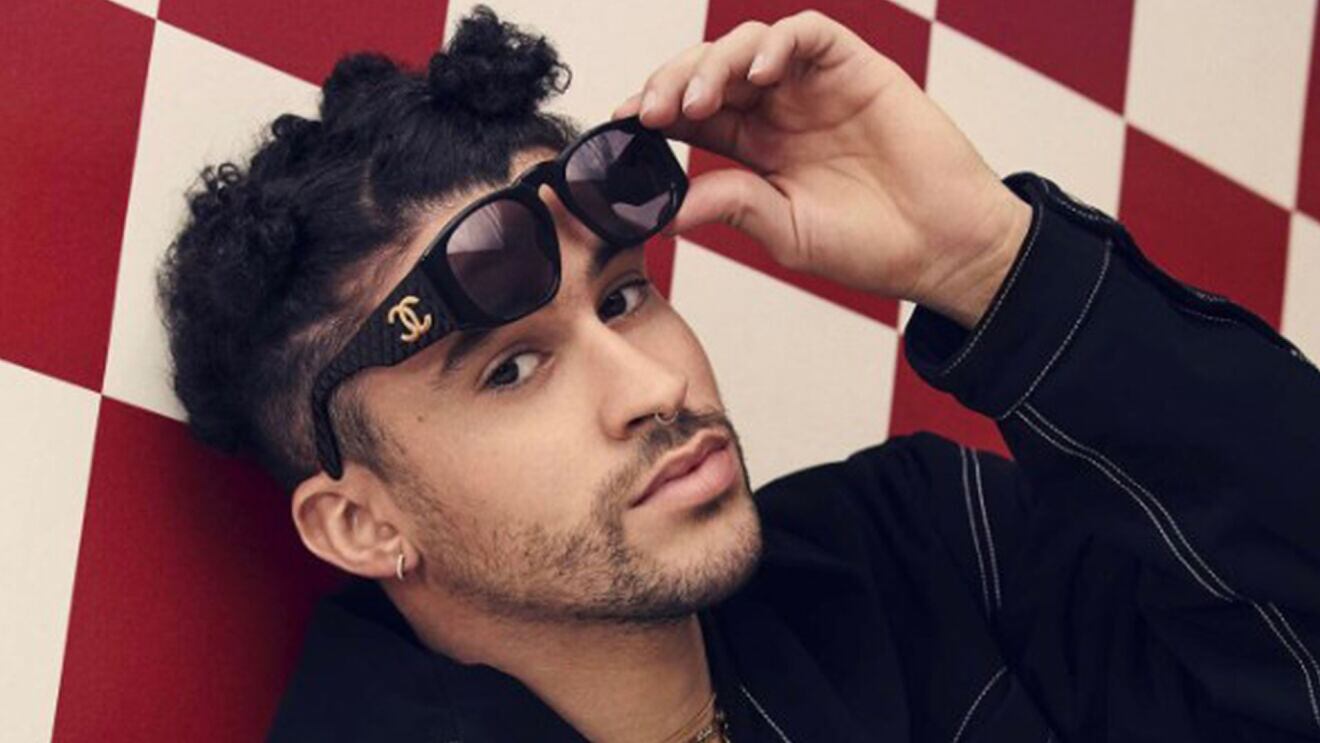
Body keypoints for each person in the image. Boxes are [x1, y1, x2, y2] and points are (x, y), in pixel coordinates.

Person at [156, 6, 1320, 742]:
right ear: (362, 522)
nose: (652, 387)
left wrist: (993, 266)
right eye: (510, 368)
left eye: (624, 296)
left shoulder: (919, 551)